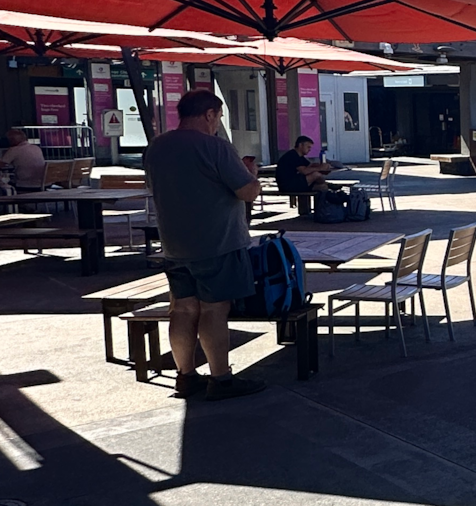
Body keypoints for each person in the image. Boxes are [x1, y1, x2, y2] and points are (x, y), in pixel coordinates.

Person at [141, 86, 262, 402]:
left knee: (181, 309)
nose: (217, 123)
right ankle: (220, 379)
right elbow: (247, 192)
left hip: (173, 243)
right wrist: (252, 174)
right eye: (218, 117)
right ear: (209, 114)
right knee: (213, 310)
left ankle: (185, 376)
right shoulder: (216, 147)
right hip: (217, 242)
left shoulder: (156, 148)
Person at [274, 134, 334, 201]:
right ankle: (327, 184)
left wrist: (324, 168)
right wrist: (320, 168)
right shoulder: (292, 155)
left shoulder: (300, 157)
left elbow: (310, 166)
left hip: (297, 182)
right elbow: (304, 171)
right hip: (288, 184)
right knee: (316, 174)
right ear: (300, 145)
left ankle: (319, 208)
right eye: (308, 147)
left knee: (323, 187)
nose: (309, 150)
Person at [0, 126, 46, 193]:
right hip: (43, 183)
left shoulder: (14, 150)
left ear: (11, 140)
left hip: (26, 184)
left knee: (0, 184)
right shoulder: (36, 148)